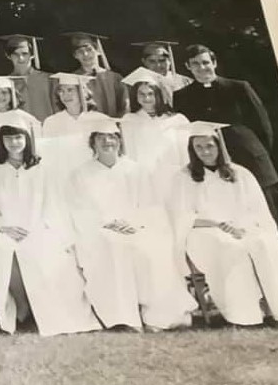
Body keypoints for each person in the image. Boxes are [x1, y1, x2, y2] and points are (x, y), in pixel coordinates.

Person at [65, 118, 196, 331]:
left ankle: (158, 316)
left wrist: (134, 224)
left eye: (112, 137)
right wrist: (109, 223)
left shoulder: (136, 170)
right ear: (93, 143)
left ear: (119, 141)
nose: (107, 142)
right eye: (101, 138)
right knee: (114, 248)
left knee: (152, 250)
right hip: (100, 230)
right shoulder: (80, 175)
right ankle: (123, 317)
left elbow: (150, 206)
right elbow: (79, 211)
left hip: (136, 227)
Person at [0, 122, 101, 336]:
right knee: (6, 250)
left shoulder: (42, 169)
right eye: (8, 139)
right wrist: (3, 227)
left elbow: (53, 205)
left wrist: (37, 228)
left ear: (27, 140)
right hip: (5, 229)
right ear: (1, 142)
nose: (14, 143)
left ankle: (41, 310)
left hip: (39, 227)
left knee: (39, 251)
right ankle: (23, 305)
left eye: (18, 137)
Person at [167, 121, 278, 326]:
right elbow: (182, 216)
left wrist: (242, 227)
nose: (205, 151)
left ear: (219, 147)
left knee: (265, 244)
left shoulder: (240, 173)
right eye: (199, 147)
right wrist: (217, 224)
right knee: (231, 248)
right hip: (203, 232)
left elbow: (257, 210)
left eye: (210, 146)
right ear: (192, 150)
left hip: (242, 227)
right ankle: (244, 314)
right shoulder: (183, 178)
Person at [173, 44, 278, 228]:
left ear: (214, 63)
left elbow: (263, 127)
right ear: (188, 66)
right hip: (213, 163)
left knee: (265, 212)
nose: (202, 68)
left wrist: (256, 151)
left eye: (206, 62)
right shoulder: (182, 96)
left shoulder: (238, 87)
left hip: (249, 157)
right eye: (195, 64)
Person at [119, 67, 190, 196]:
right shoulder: (129, 120)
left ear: (159, 94)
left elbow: (185, 154)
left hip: (174, 178)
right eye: (141, 93)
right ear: (136, 95)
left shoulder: (178, 120)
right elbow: (129, 153)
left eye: (151, 93)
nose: (146, 98)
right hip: (144, 180)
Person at [41, 73, 108, 198]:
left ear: (82, 92)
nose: (65, 95)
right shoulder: (51, 122)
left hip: (96, 179)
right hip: (64, 181)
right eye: (61, 91)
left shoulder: (100, 120)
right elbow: (48, 157)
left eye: (70, 90)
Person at [61, 32, 127, 118]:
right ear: (75, 55)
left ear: (98, 50)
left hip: (110, 128)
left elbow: (125, 108)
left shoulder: (115, 78)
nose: (85, 54)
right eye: (80, 51)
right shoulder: (71, 79)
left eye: (89, 49)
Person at [0, 34, 55, 122]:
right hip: (19, 131)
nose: (21, 58)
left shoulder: (48, 79)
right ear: (8, 56)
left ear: (32, 55)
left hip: (46, 129)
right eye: (15, 54)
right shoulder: (4, 83)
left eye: (25, 53)